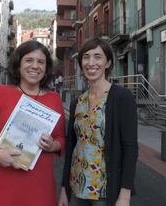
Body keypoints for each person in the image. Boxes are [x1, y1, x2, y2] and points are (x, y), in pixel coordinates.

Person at [0, 40, 66, 206]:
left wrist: (52, 146)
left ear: (46, 68)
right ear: (18, 64)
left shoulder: (54, 99)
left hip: (39, 187)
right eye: (29, 60)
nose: (35, 66)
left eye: (41, 62)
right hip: (0, 183)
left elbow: (61, 139)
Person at [59, 38, 138, 206]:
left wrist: (125, 195)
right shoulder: (77, 102)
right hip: (77, 187)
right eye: (86, 57)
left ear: (108, 62)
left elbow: (130, 148)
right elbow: (72, 146)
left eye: (97, 57)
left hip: (104, 191)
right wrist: (64, 188)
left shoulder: (122, 97)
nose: (91, 62)